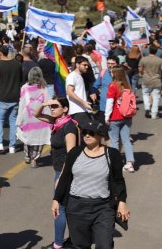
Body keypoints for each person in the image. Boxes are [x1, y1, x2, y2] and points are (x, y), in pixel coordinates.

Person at [52, 118, 129, 249]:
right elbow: (64, 177)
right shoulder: (75, 153)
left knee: (105, 245)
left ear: (101, 135)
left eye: (92, 133)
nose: (87, 135)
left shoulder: (112, 154)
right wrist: (56, 200)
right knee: (80, 245)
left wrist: (122, 202)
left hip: (103, 208)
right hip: (76, 207)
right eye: (85, 132)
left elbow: (119, 180)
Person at [35, 97, 78, 249]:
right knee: (67, 207)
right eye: (51, 107)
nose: (52, 109)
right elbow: (37, 114)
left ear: (65, 109)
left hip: (65, 172)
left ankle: (58, 244)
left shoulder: (69, 127)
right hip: (60, 171)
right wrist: (44, 104)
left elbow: (71, 154)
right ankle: (72, 240)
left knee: (60, 208)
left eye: (55, 106)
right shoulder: (57, 123)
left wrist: (62, 177)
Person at [0, 44, 24, 154]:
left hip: (2, 97)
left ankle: (0, 144)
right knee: (13, 121)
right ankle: (12, 146)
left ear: (0, 53)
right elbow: (21, 81)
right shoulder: (17, 65)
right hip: (15, 97)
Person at [16, 67, 51, 167]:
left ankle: (28, 155)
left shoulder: (24, 87)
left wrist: (19, 119)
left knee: (28, 137)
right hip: (41, 116)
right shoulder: (44, 87)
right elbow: (46, 103)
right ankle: (34, 159)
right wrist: (49, 118)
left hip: (28, 117)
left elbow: (22, 104)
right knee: (39, 139)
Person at [105, 66, 136, 173]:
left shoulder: (113, 86)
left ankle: (116, 164)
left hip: (115, 117)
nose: (111, 73)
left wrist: (106, 117)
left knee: (114, 141)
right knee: (126, 140)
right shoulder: (127, 86)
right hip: (127, 116)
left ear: (115, 74)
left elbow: (109, 103)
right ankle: (130, 163)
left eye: (112, 72)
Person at [138, 47, 162, 118]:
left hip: (146, 79)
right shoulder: (160, 60)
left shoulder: (143, 59)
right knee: (156, 97)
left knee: (145, 94)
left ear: (149, 51)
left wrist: (142, 74)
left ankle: (147, 108)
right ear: (157, 51)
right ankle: (154, 114)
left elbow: (140, 69)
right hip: (157, 80)